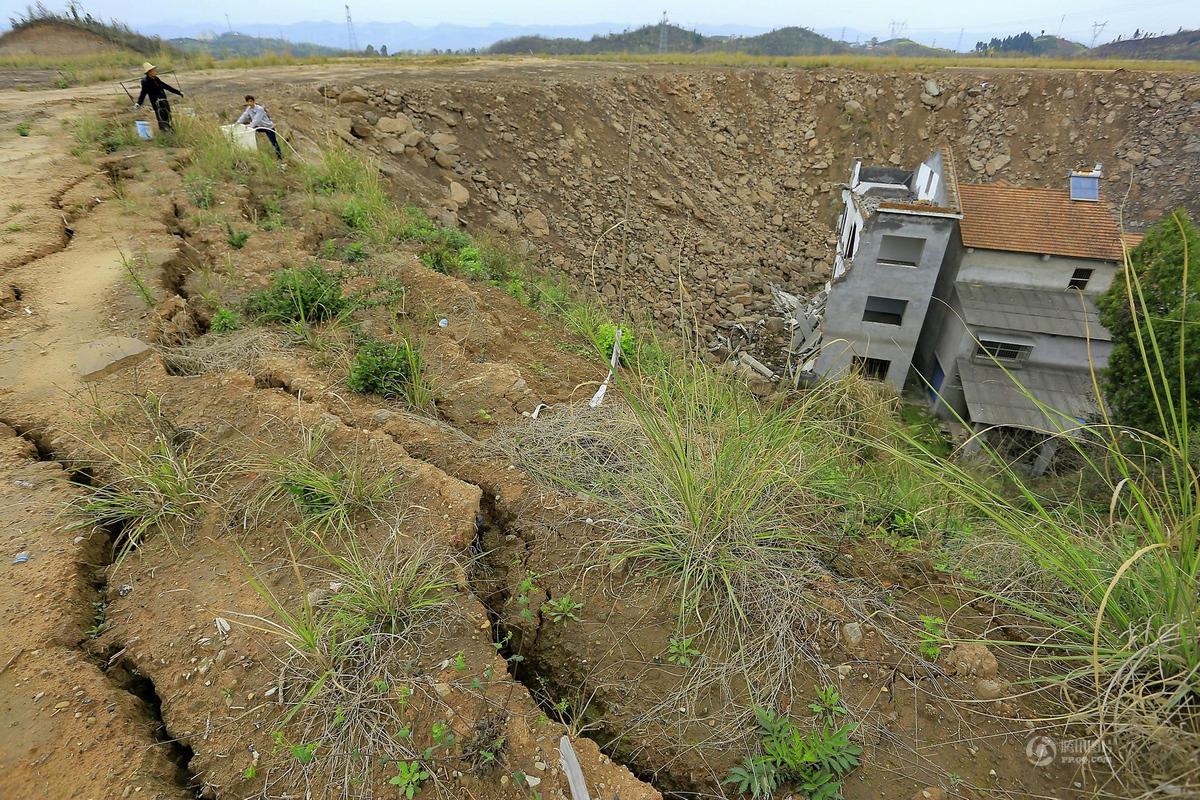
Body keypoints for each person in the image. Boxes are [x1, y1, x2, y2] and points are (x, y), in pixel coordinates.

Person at [135, 62, 183, 132]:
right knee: (161, 117)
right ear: (149, 72)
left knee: (168, 115)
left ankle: (170, 129)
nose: (155, 71)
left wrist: (178, 92)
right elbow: (143, 93)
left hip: (164, 100)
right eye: (153, 70)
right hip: (156, 102)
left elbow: (166, 86)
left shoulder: (156, 79)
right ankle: (163, 131)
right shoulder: (145, 81)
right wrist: (139, 103)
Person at [236, 95, 283, 160]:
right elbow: (244, 116)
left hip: (268, 127)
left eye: (251, 101)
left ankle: (279, 157)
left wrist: (250, 125)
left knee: (274, 142)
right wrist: (238, 122)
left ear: (254, 101)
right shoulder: (249, 109)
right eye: (248, 102)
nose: (250, 103)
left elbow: (257, 119)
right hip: (259, 127)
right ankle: (254, 149)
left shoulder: (260, 109)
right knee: (251, 132)